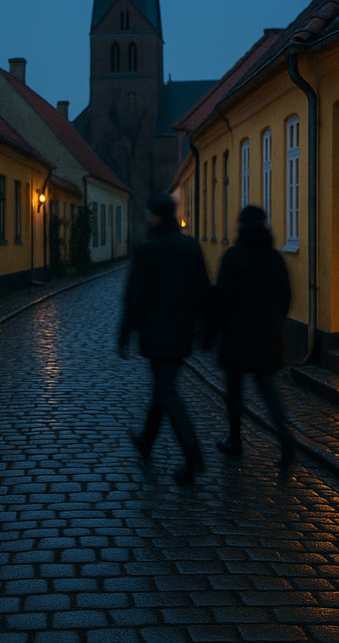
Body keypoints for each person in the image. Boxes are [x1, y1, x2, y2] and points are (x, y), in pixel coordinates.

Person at [119, 193, 211, 484]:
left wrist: (124, 332)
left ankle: (193, 454)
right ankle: (146, 441)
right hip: (182, 331)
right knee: (163, 387)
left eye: (149, 213)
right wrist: (207, 328)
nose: (147, 218)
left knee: (166, 390)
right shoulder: (190, 246)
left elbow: (134, 294)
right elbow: (203, 289)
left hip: (156, 332)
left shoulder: (147, 249)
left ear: (156, 216)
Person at [207, 205, 297, 471]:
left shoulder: (234, 256)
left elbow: (221, 298)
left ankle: (235, 440)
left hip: (237, 335)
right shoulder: (275, 257)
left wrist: (214, 331)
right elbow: (286, 295)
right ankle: (284, 437)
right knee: (267, 386)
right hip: (268, 334)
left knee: (234, 389)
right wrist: (276, 322)